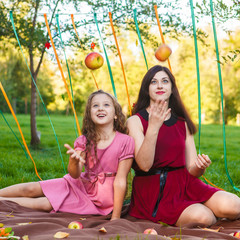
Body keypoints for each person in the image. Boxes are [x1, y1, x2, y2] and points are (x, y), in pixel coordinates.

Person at [127, 65, 240, 226]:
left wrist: (200, 167)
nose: (160, 85)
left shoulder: (182, 122)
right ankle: (199, 211)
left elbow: (192, 171)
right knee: (204, 217)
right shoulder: (135, 121)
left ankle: (198, 208)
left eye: (165, 81)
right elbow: (144, 165)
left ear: (172, 88)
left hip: (185, 184)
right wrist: (153, 127)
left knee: (234, 205)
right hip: (154, 191)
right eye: (154, 82)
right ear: (146, 89)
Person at [0, 90, 134, 220]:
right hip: (80, 183)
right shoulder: (84, 140)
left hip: (103, 198)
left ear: (116, 114)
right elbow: (74, 174)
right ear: (89, 115)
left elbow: (121, 180)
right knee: (29, 188)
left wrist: (115, 217)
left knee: (45, 204)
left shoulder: (125, 141)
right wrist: (74, 161)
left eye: (106, 104)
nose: (100, 108)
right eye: (95, 105)